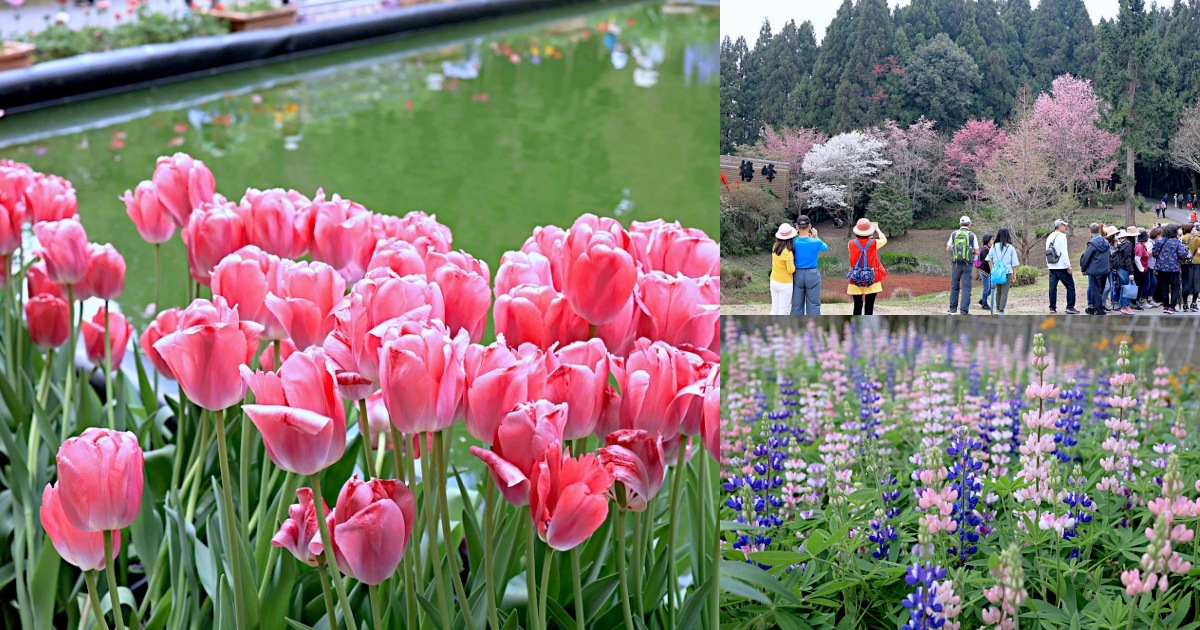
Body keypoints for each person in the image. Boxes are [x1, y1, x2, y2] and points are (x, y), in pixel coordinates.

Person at [845, 218, 888, 315]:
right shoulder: (874, 243)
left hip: (855, 278)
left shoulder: (850, 243)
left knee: (857, 306)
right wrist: (877, 228)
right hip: (871, 278)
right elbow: (884, 240)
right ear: (869, 232)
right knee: (869, 307)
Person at [790, 215, 828, 316]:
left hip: (797, 274)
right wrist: (816, 236)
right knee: (814, 304)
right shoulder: (816, 242)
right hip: (812, 274)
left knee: (797, 305)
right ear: (810, 227)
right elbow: (825, 248)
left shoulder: (792, 242)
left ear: (796, 227)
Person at [946, 215, 979, 315]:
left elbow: (947, 248)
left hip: (955, 264)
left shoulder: (954, 234)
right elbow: (977, 252)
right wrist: (970, 251)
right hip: (967, 265)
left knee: (954, 286)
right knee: (966, 287)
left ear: (960, 224)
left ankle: (952, 310)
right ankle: (964, 311)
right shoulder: (972, 235)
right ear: (969, 224)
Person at [1153, 223, 1188, 314]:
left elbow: (1154, 254)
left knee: (1164, 287)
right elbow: (1182, 254)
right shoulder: (1176, 242)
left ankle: (1165, 305)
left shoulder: (1159, 242)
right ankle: (1172, 306)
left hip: (1161, 268)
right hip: (1174, 268)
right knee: (1174, 287)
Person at [1045, 219, 1078, 314]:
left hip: (1052, 266)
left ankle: (1052, 308)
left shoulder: (1050, 236)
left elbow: (1047, 252)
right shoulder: (1062, 237)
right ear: (1059, 226)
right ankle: (1070, 307)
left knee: (1052, 288)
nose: (1065, 227)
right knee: (1070, 286)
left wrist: (1048, 264)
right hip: (1061, 266)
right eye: (1064, 225)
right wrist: (1068, 265)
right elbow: (1064, 252)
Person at [1080, 223, 1112, 315]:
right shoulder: (1106, 242)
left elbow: (1087, 257)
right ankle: (1092, 308)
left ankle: (1098, 310)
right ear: (1098, 230)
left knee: (1096, 290)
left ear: (1089, 231)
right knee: (1100, 290)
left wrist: (1083, 269)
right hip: (1105, 269)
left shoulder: (1092, 243)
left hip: (1095, 270)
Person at [986, 227, 1019, 315]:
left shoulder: (994, 246)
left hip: (996, 272)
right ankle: (1001, 310)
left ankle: (997, 309)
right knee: (1004, 291)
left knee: (998, 291)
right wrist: (1014, 274)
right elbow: (1014, 262)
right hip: (1007, 272)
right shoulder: (1010, 247)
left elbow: (988, 258)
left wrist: (992, 269)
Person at [770, 223, 797, 315]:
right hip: (785, 283)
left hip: (774, 280)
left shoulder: (775, 246)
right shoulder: (787, 252)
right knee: (783, 311)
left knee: (774, 308)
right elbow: (791, 270)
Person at [1111, 227, 1137, 314]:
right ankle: (1126, 306)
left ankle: (1123, 306)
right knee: (1129, 287)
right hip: (1125, 268)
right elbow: (1128, 260)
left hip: (1119, 267)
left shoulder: (1120, 245)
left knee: (1123, 287)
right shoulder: (1128, 245)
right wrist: (1131, 272)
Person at [1182, 223, 1200, 311]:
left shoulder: (1183, 238)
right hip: (1196, 262)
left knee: (1186, 282)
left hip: (1185, 263)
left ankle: (1185, 304)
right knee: (1196, 283)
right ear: (1192, 229)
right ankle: (1193, 303)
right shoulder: (1197, 239)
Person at [1133, 229, 1152, 310]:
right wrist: (1141, 269)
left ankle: (1137, 301)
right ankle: (1135, 301)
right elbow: (1137, 259)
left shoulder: (1141, 245)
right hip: (1139, 269)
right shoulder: (1140, 246)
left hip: (1142, 268)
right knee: (1138, 285)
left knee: (1140, 285)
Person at [978, 233, 993, 312]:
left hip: (988, 271)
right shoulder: (985, 249)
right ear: (988, 240)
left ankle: (983, 300)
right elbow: (986, 261)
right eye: (992, 239)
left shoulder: (988, 248)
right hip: (984, 271)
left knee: (991, 288)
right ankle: (984, 304)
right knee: (987, 288)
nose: (993, 240)